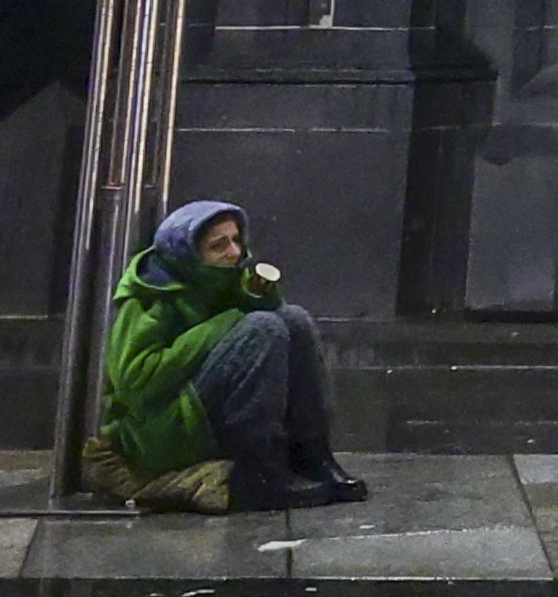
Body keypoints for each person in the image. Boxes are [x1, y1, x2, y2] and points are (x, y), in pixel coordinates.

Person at [92, 196, 360, 511]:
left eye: (235, 240)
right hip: (163, 430)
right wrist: (228, 321)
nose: (234, 252)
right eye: (218, 246)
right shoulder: (150, 299)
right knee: (262, 328)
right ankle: (261, 470)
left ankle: (313, 455)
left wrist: (257, 297)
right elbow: (137, 382)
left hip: (201, 410)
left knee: (294, 319)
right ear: (189, 255)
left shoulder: (224, 280)